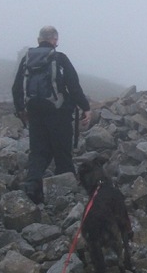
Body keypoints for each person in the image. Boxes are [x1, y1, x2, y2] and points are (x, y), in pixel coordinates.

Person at [12, 26, 92, 203]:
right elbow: (73, 86)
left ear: (39, 39)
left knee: (38, 151)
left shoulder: (27, 59)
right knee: (62, 150)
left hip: (34, 111)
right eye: (57, 39)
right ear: (54, 40)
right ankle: (65, 195)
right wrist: (85, 107)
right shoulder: (60, 58)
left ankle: (32, 188)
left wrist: (20, 110)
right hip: (59, 113)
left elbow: (17, 87)